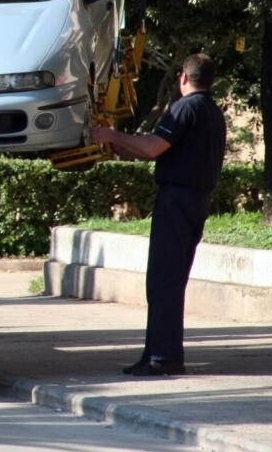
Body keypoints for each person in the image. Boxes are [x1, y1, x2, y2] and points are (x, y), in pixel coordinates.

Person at [91, 52, 227, 376]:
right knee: (169, 280)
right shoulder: (213, 112)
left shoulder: (185, 108)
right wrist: (119, 146)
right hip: (196, 200)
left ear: (183, 77)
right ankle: (155, 353)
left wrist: (111, 136)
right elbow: (152, 151)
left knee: (163, 281)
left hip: (176, 201)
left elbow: (152, 147)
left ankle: (163, 358)